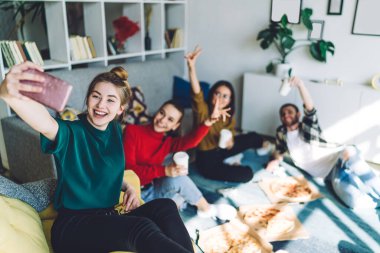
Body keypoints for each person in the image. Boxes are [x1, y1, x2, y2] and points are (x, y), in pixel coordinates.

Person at [0, 61, 195, 253]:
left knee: (165, 205)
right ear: (88, 99)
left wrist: (127, 187)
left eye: (110, 100)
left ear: (121, 109)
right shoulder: (71, 133)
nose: (101, 104)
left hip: (107, 217)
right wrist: (9, 95)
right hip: (74, 227)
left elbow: (104, 172)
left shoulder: (115, 130)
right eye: (96, 96)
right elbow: (45, 122)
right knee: (141, 229)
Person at [266, 76, 380, 209]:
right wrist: (275, 160)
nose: (286, 115)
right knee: (354, 202)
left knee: (350, 153)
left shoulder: (307, 126)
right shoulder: (281, 132)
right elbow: (279, 150)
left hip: (340, 157)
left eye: (290, 112)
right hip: (330, 174)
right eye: (283, 113)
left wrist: (300, 85)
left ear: (298, 115)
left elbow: (310, 109)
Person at [123, 99, 233, 218]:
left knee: (179, 180)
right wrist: (164, 170)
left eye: (170, 119)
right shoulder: (132, 131)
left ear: (175, 126)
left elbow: (191, 141)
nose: (162, 120)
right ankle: (184, 203)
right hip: (133, 195)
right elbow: (130, 172)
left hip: (153, 189)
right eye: (162, 113)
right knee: (175, 201)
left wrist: (209, 121)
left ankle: (205, 209)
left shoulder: (167, 142)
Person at [186, 46, 271, 183]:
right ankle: (232, 161)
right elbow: (197, 94)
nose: (220, 98)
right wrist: (191, 67)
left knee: (254, 137)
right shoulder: (203, 109)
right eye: (217, 94)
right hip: (207, 157)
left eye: (225, 96)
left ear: (230, 100)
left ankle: (259, 147)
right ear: (212, 94)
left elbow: (230, 140)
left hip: (222, 149)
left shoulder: (228, 115)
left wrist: (231, 142)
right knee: (247, 174)